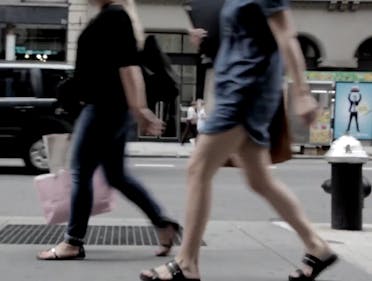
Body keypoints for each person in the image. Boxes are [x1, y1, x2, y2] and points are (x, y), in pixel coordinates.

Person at [140, 1, 337, 281]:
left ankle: (187, 263)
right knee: (259, 180)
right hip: (236, 87)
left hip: (244, 92)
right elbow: (247, 39)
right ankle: (318, 247)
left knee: (198, 168)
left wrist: (302, 93)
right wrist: (210, 41)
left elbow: (286, 35)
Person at [37, 0, 180, 260]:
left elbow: (128, 67)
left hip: (104, 108)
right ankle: (163, 224)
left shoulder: (114, 16)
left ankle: (73, 242)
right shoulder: (112, 16)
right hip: (110, 108)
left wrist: (141, 110)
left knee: (81, 171)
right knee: (116, 176)